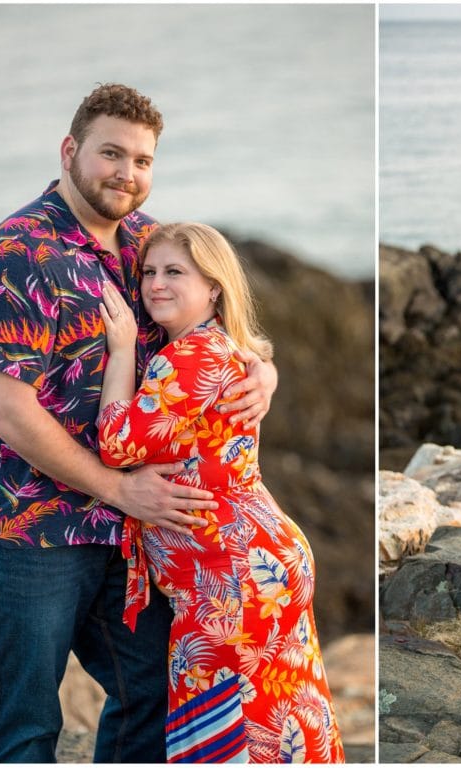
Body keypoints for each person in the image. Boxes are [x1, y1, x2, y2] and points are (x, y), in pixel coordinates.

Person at [0, 83, 278, 762]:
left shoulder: (146, 243)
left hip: (127, 531)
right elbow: (4, 407)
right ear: (70, 151)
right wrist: (116, 485)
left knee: (155, 692)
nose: (127, 173)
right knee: (27, 721)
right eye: (111, 153)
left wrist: (263, 372)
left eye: (142, 159)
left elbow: (213, 323)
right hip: (28, 526)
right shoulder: (19, 253)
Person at [96, 222, 345, 763]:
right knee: (282, 727)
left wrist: (120, 352)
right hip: (255, 562)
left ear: (214, 287)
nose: (156, 285)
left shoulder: (186, 358)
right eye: (150, 273)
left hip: (229, 579)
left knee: (230, 739)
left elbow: (117, 443)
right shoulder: (221, 348)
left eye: (175, 273)